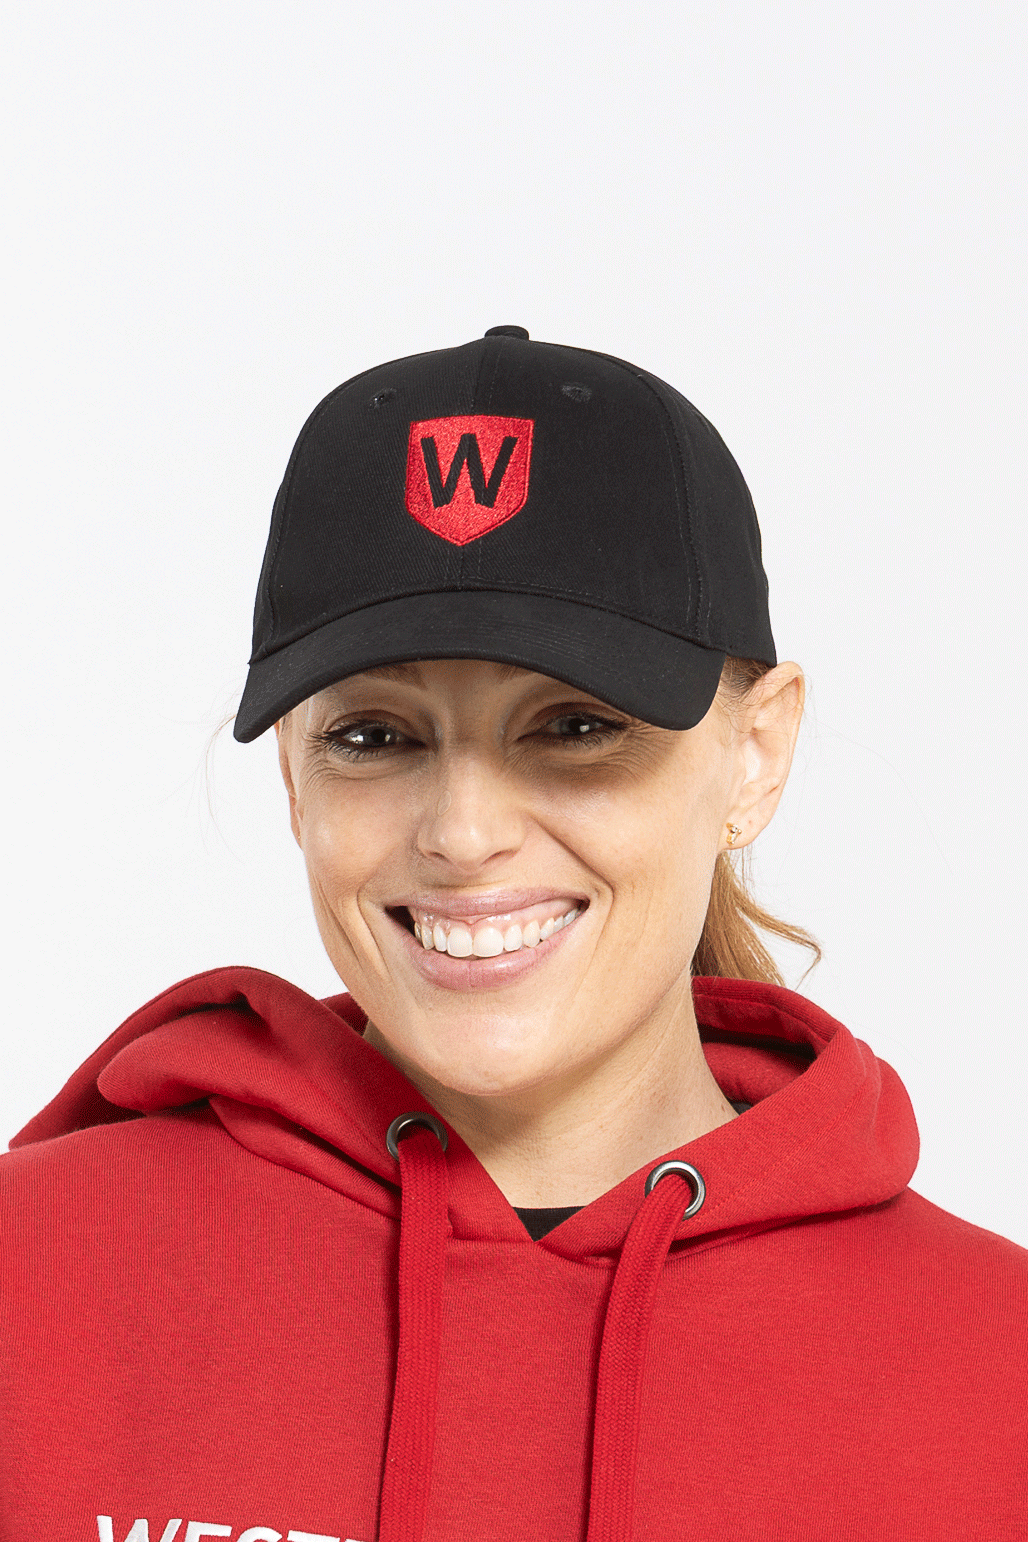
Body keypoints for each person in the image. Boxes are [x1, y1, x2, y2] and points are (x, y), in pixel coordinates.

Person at [2, 326, 1025, 1542]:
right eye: (374, 737)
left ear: (754, 754)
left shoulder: (996, 1375)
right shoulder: (32, 1280)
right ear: (291, 777)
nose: (463, 833)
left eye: (574, 727)